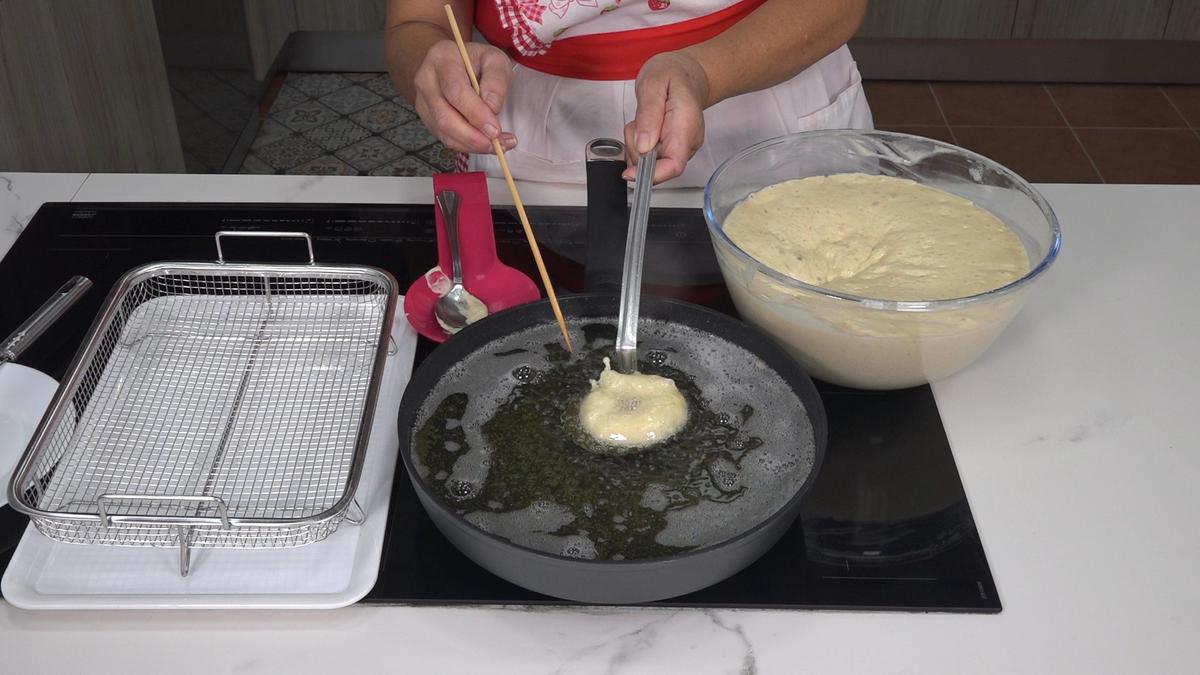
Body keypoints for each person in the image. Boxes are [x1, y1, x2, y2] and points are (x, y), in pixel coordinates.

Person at [386, 0, 873, 186]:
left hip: (770, 88)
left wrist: (702, 71)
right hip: (538, 134)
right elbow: (418, 20)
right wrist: (432, 63)